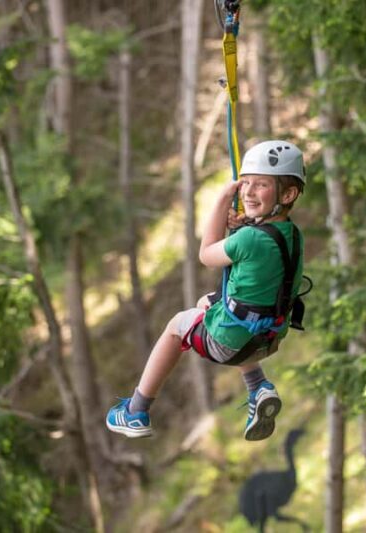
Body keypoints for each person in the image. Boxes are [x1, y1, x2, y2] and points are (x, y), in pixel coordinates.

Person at [106, 140, 306, 441]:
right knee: (206, 303)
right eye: (246, 183)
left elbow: (207, 254)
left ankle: (137, 409)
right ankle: (257, 386)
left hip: (231, 342)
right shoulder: (292, 235)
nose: (249, 192)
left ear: (287, 194)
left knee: (177, 326)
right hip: (270, 336)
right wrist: (243, 224)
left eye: (261, 184)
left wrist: (222, 201)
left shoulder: (249, 239)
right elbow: (259, 255)